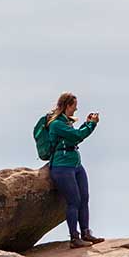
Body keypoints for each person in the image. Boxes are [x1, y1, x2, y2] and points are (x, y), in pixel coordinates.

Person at [44, 92, 102, 247]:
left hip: (75, 164)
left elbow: (75, 136)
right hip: (62, 166)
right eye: (74, 106)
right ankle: (74, 238)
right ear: (68, 105)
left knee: (84, 198)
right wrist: (92, 124)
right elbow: (77, 136)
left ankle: (86, 233)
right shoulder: (56, 124)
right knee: (74, 201)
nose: (76, 109)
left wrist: (86, 123)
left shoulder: (66, 122)